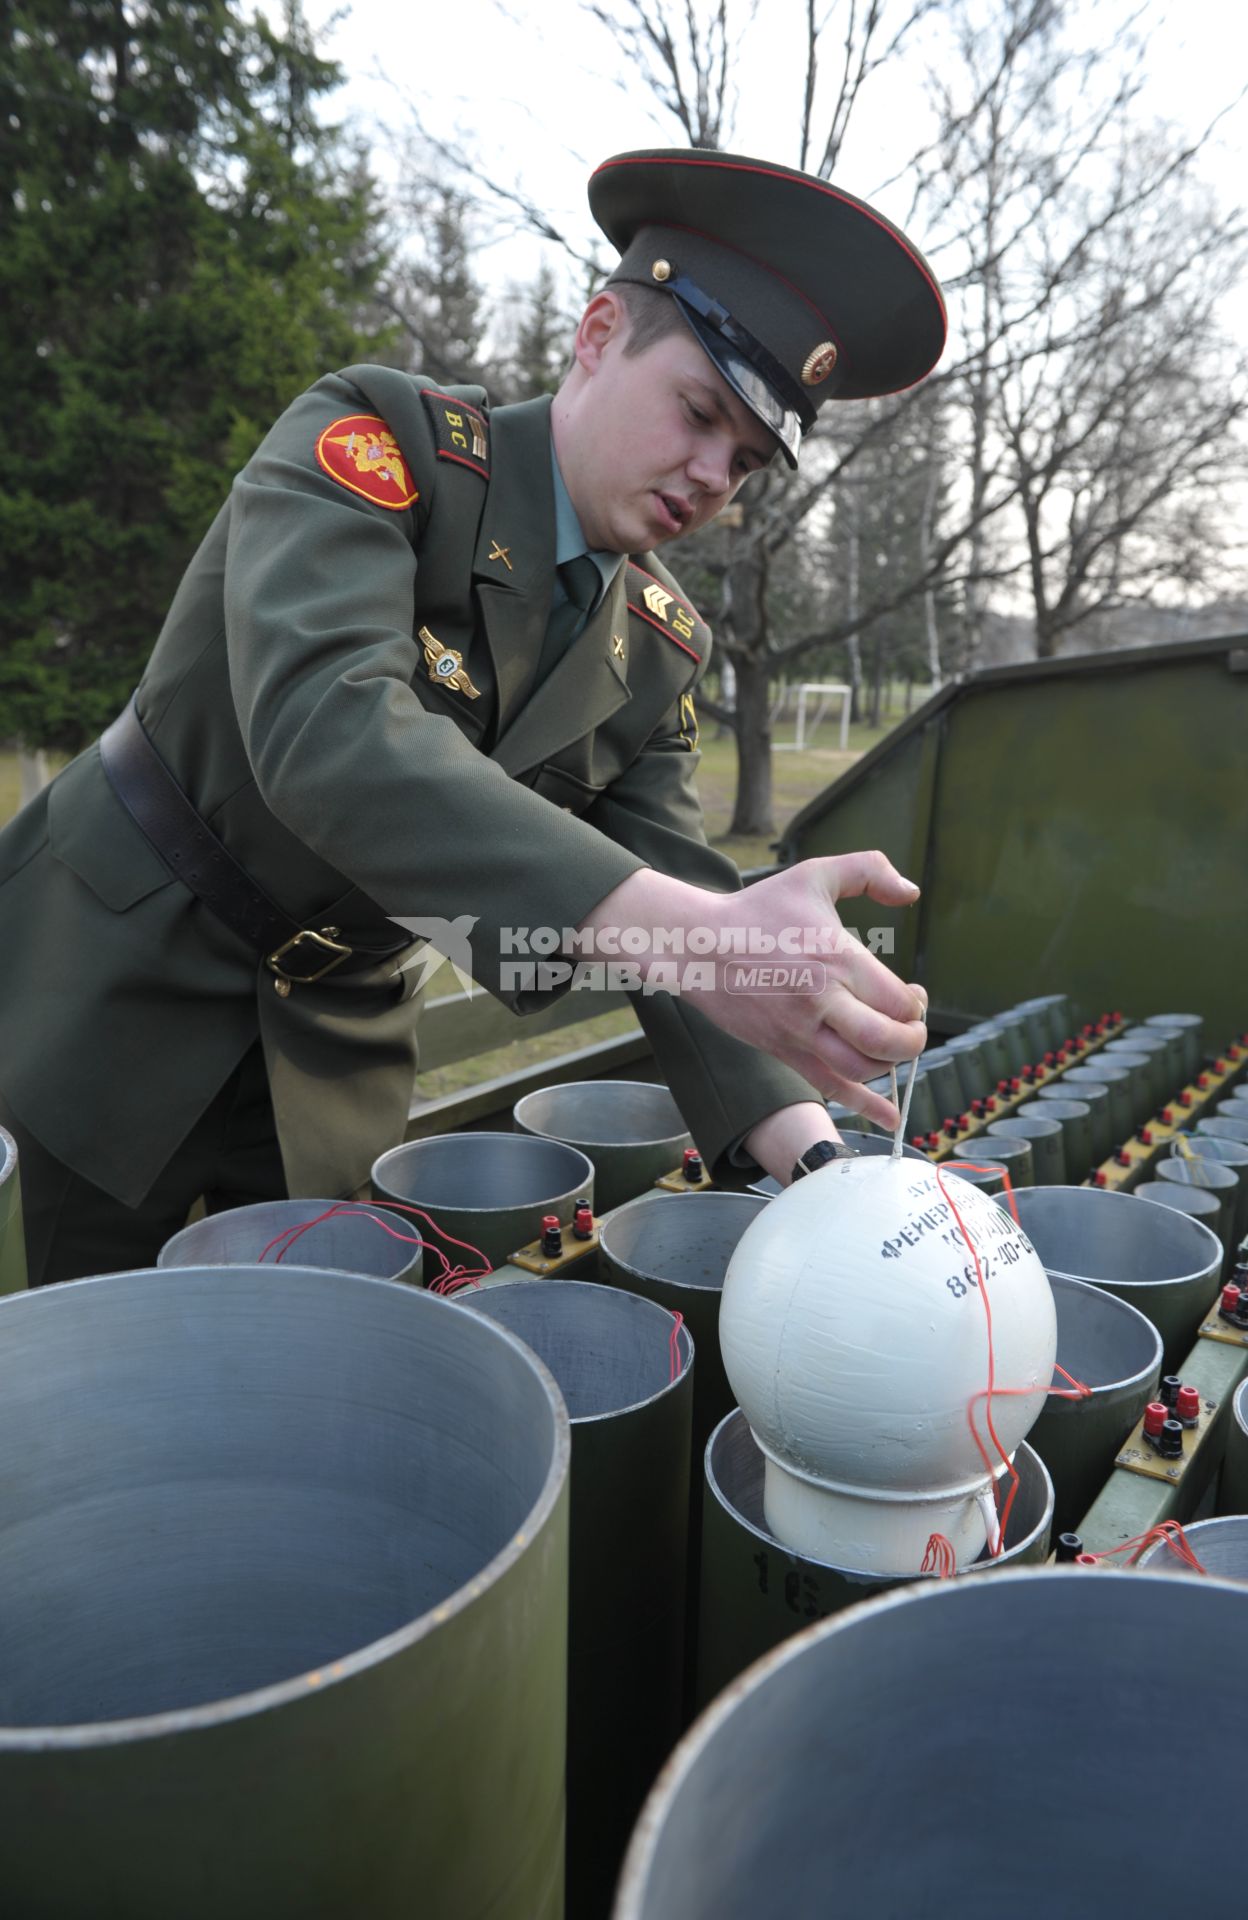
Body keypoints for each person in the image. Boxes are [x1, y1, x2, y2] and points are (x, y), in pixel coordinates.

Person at [0, 146, 946, 1286]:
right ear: (597, 335)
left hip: (330, 1044)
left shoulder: (656, 644)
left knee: (283, 1373)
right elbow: (326, 729)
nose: (708, 477)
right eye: (697, 412)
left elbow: (678, 906)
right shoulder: (379, 446)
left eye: (744, 463)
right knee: (70, 1376)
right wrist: (698, 935)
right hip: (116, 976)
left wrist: (819, 1159)